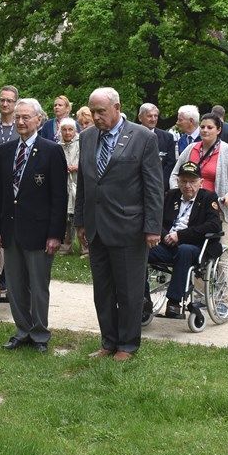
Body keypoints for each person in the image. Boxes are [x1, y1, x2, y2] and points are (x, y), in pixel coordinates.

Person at [75, 87, 163, 361]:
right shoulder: (87, 137)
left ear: (117, 107)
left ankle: (127, 345)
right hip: (97, 226)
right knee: (102, 290)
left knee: (129, 290)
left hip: (129, 227)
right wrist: (80, 221)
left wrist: (152, 227)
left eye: (102, 111)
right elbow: (85, 183)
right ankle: (108, 341)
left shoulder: (143, 138)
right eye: (93, 112)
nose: (97, 117)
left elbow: (153, 186)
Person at [0, 98, 68, 353]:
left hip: (39, 232)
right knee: (14, 285)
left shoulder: (52, 151)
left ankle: (40, 334)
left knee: (38, 285)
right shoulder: (5, 151)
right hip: (12, 230)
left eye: (26, 117)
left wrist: (55, 234)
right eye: (18, 117)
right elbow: (1, 194)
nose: (21, 122)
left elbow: (59, 196)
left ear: (39, 120)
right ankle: (22, 330)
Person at [149, 162, 223, 316]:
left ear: (201, 182)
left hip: (195, 247)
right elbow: (156, 220)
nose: (188, 185)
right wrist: (165, 236)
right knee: (142, 250)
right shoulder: (170, 196)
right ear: (177, 181)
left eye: (192, 181)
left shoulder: (209, 198)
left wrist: (180, 236)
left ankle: (174, 302)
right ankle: (143, 300)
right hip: (168, 245)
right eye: (183, 181)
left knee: (184, 250)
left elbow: (214, 225)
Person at [170, 113, 228, 248]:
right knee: (190, 249)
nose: (205, 130)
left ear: (218, 130)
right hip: (191, 209)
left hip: (218, 208)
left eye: (210, 127)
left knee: (220, 252)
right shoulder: (190, 149)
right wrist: (178, 191)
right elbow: (175, 174)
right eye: (202, 127)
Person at [137, 103, 177, 190]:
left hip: (158, 186)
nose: (153, 119)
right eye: (149, 116)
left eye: (156, 116)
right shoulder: (132, 135)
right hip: (135, 185)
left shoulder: (167, 137)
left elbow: (170, 164)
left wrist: (161, 183)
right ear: (140, 117)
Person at [59, 118, 81, 255]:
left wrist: (77, 167)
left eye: (70, 129)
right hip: (64, 184)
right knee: (65, 216)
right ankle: (66, 246)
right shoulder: (57, 146)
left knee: (79, 216)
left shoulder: (81, 144)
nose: (67, 133)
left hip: (78, 183)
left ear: (75, 130)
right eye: (64, 130)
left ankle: (86, 248)